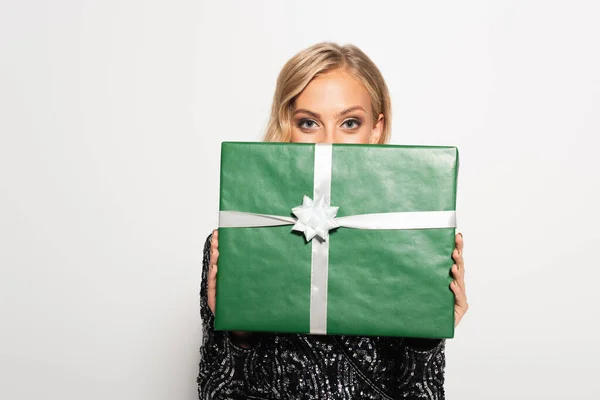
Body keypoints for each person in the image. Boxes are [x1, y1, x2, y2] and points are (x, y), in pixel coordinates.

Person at [198, 42, 468, 400]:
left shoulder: (409, 238)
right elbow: (215, 393)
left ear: (375, 128)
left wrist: (427, 333)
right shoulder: (242, 235)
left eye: (349, 123)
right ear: (287, 125)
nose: (328, 142)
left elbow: (423, 394)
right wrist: (238, 335)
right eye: (309, 123)